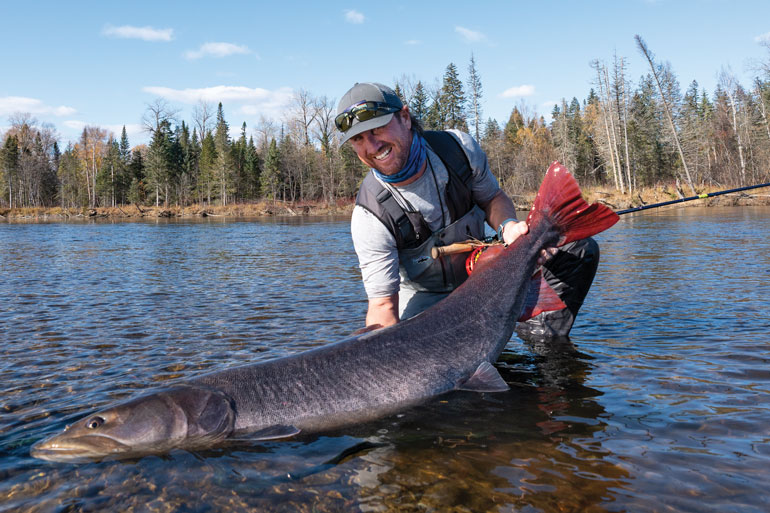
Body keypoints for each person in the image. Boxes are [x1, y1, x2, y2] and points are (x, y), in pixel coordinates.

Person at [336, 82, 599, 339]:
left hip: (485, 278)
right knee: (423, 361)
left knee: (574, 249)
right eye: (358, 139)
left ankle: (540, 334)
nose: (371, 147)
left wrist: (508, 226)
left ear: (405, 117)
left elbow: (493, 198)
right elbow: (382, 308)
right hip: (428, 302)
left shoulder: (457, 150)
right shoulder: (370, 215)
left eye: (377, 129)